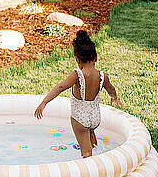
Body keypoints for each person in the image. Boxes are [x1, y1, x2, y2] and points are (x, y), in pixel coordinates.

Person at [34, 30, 124, 158]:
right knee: (92, 144)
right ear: (96, 57)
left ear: (77, 59)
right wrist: (114, 98)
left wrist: (44, 102)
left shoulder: (77, 75)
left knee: (86, 153)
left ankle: (92, 173)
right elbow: (111, 89)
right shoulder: (102, 76)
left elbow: (60, 87)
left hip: (80, 119)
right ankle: (100, 157)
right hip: (95, 118)